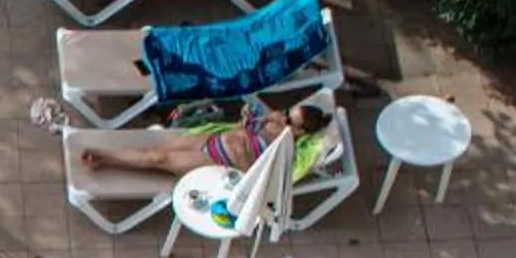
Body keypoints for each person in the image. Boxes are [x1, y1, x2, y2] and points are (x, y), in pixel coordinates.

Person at [77, 96, 334, 177]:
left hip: (217, 160)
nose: (283, 118)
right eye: (287, 113)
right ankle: (107, 155)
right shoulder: (273, 120)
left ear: (300, 132)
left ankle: (104, 158)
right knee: (157, 148)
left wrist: (242, 153)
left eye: (290, 121)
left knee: (157, 158)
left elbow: (252, 176)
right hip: (211, 139)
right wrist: (247, 123)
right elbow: (241, 125)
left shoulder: (285, 151)